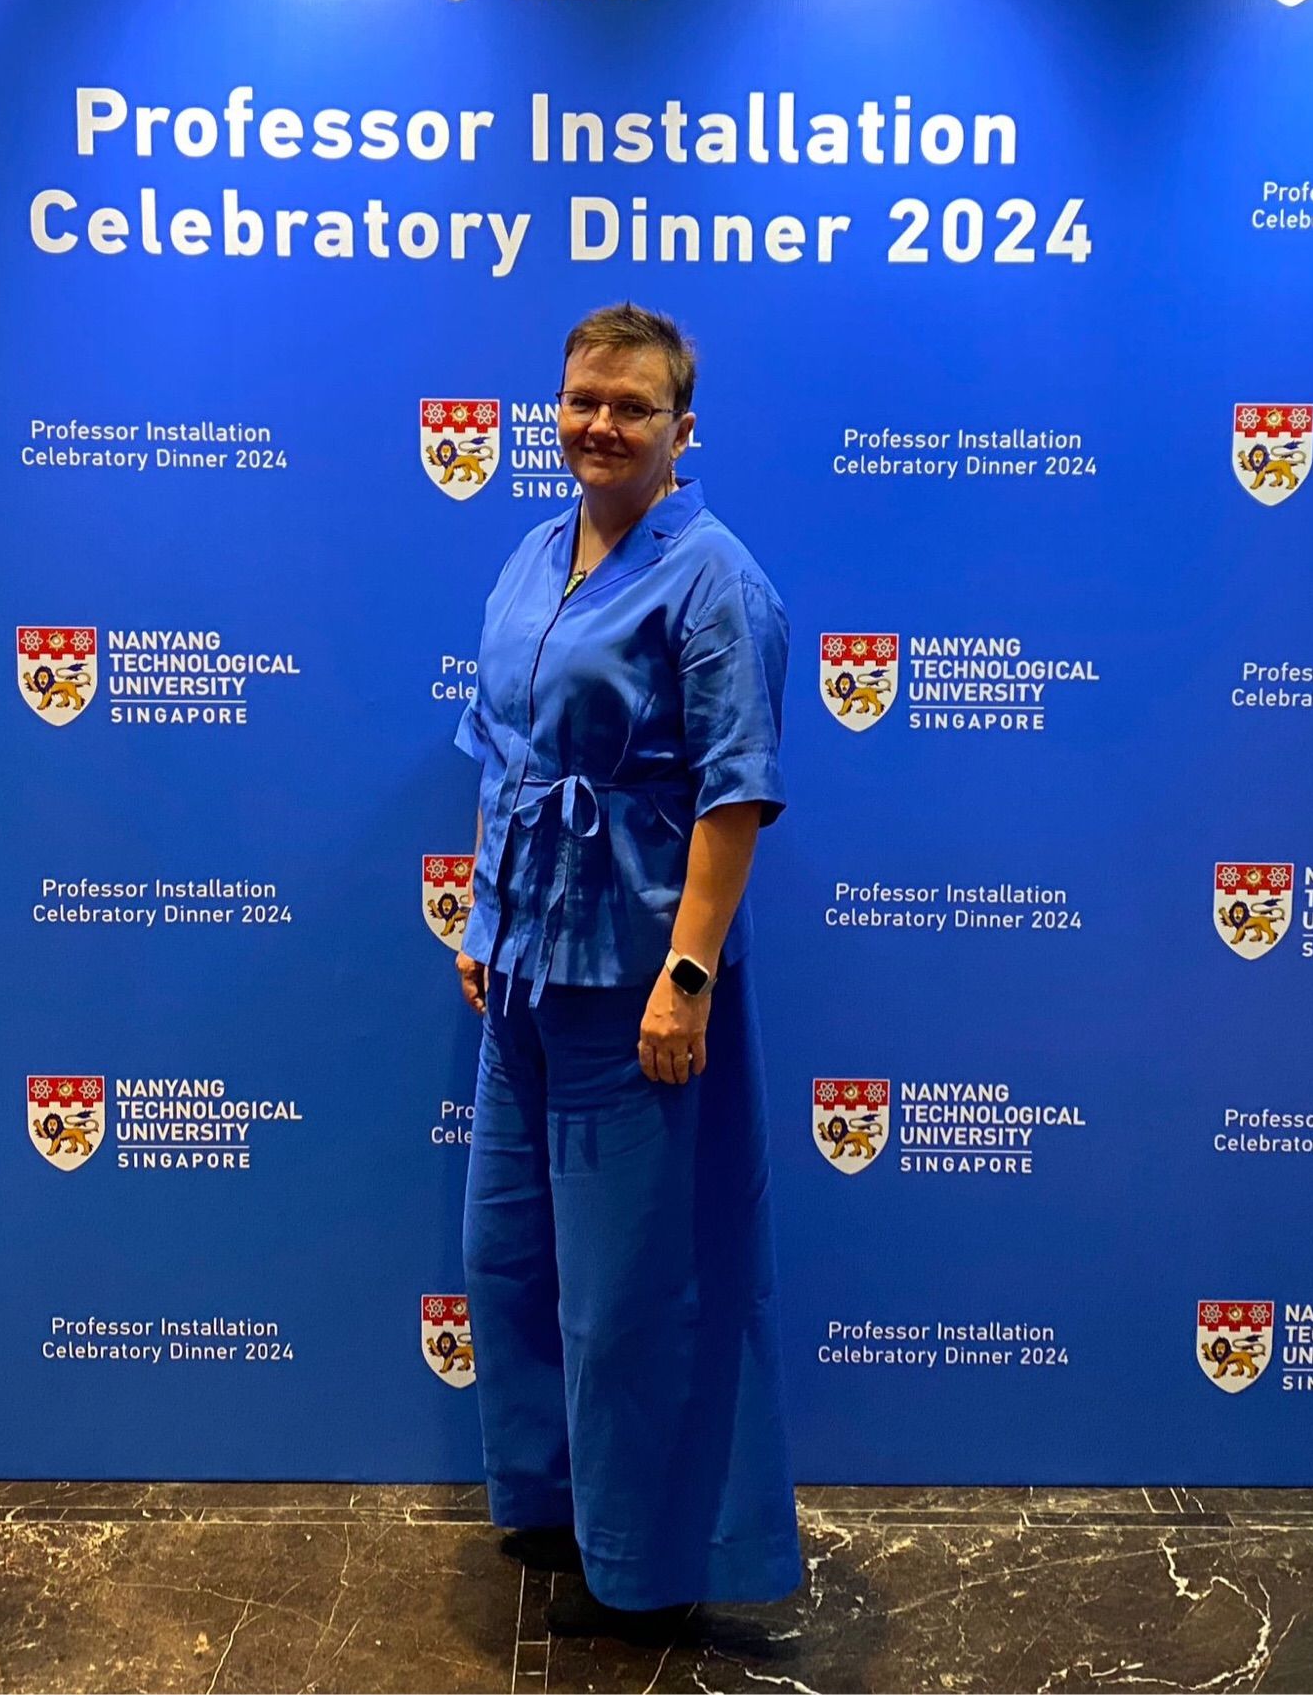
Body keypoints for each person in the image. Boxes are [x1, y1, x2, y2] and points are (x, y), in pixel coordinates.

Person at [451, 302, 803, 1639]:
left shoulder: (718, 579)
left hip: (634, 982)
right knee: (506, 1258)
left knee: (625, 1298)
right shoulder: (532, 555)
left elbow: (735, 797)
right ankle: (548, 1502)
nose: (602, 423)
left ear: (682, 428)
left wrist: (689, 976)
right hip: (525, 971)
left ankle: (644, 1570)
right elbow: (502, 756)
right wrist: (485, 919)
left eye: (633, 407)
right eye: (584, 399)